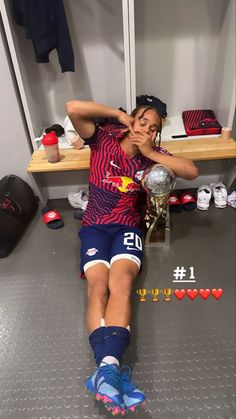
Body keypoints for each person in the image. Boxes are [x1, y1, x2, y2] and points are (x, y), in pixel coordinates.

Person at [66, 100, 199, 415]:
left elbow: (192, 171)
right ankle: (110, 371)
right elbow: (72, 108)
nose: (147, 130)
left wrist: (151, 153)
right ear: (131, 120)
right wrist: (117, 115)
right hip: (95, 229)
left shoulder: (152, 155)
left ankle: (106, 372)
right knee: (98, 287)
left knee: (121, 283)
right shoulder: (103, 138)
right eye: (143, 121)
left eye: (154, 128)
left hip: (127, 228)